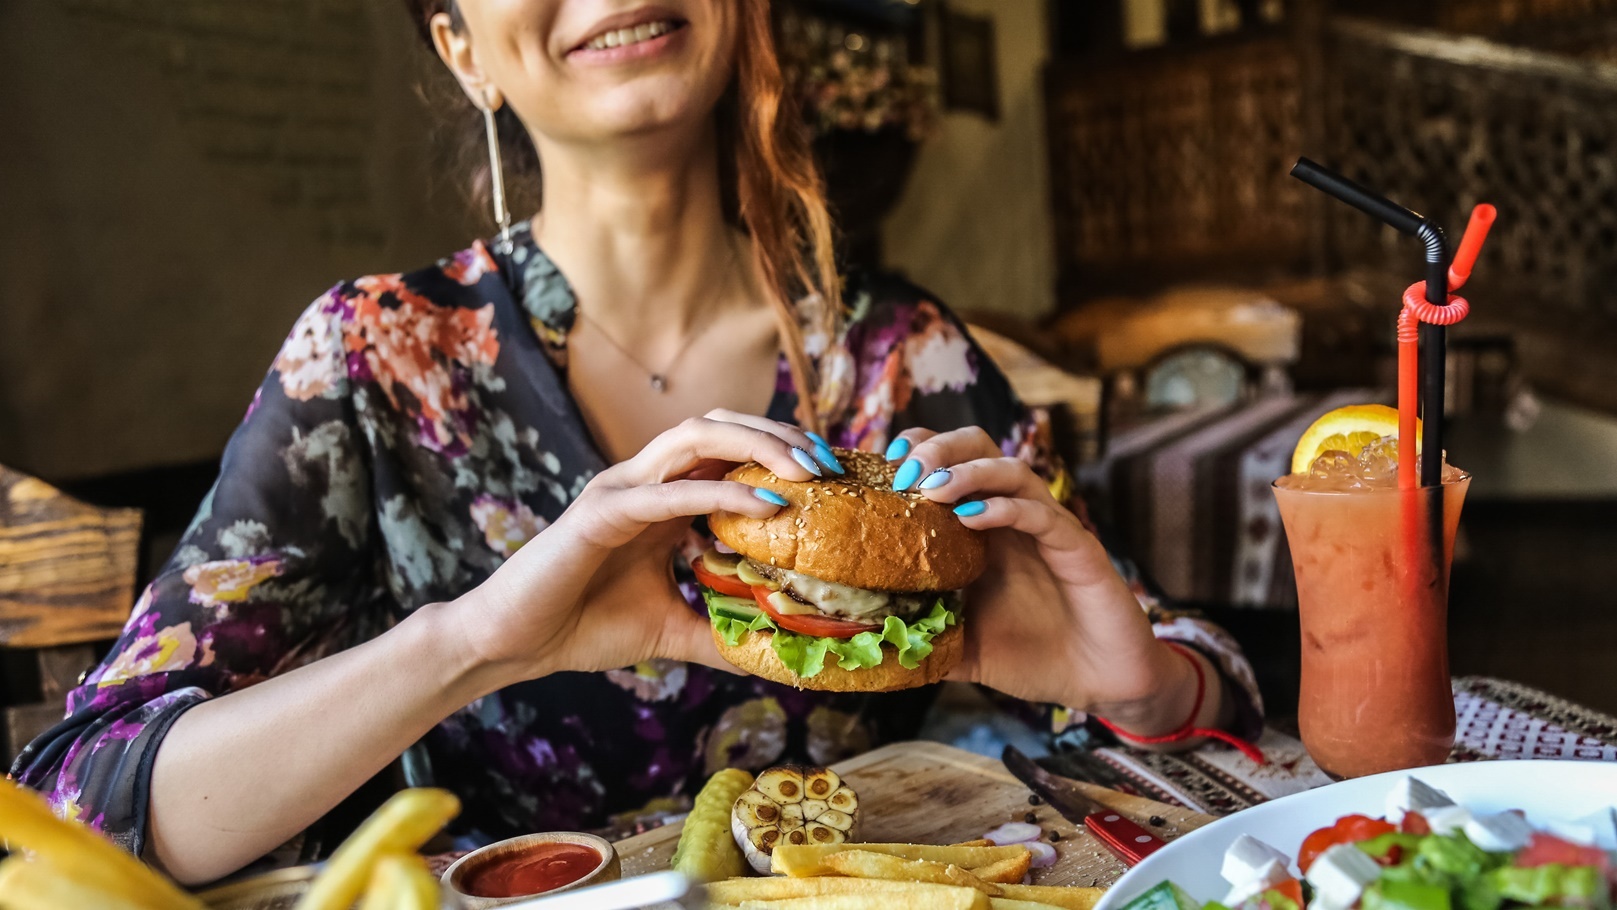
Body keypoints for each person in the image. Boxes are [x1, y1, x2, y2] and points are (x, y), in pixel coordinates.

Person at [11, 0, 1261, 885]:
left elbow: (1188, 685)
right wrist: (470, 643)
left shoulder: (900, 357)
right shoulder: (373, 357)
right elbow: (81, 804)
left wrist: (1138, 682)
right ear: (461, 49)